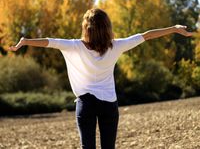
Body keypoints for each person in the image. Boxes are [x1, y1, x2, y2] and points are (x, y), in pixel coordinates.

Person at [9, 8, 192, 149]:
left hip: (86, 104)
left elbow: (49, 41)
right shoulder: (117, 46)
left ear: (86, 29)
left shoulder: (75, 46)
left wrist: (25, 41)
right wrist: (174, 29)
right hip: (109, 104)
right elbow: (147, 35)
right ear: (107, 28)